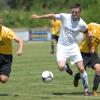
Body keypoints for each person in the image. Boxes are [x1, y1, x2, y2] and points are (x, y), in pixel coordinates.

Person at [31, 3, 89, 95]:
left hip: (74, 47)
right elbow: (52, 15)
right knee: (61, 67)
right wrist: (38, 17)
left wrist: (89, 39)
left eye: (76, 12)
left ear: (80, 12)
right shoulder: (64, 16)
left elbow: (86, 31)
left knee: (81, 69)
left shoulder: (82, 23)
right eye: (73, 12)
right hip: (62, 46)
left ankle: (86, 90)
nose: (74, 13)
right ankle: (66, 67)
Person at [73, 23, 100, 96]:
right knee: (83, 71)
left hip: (93, 54)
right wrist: (88, 34)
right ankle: (76, 77)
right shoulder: (93, 25)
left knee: (98, 69)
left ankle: (94, 90)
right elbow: (82, 29)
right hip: (83, 52)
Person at [0, 17, 23, 84]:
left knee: (4, 80)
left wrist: (20, 48)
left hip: (7, 57)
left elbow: (19, 40)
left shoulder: (7, 31)